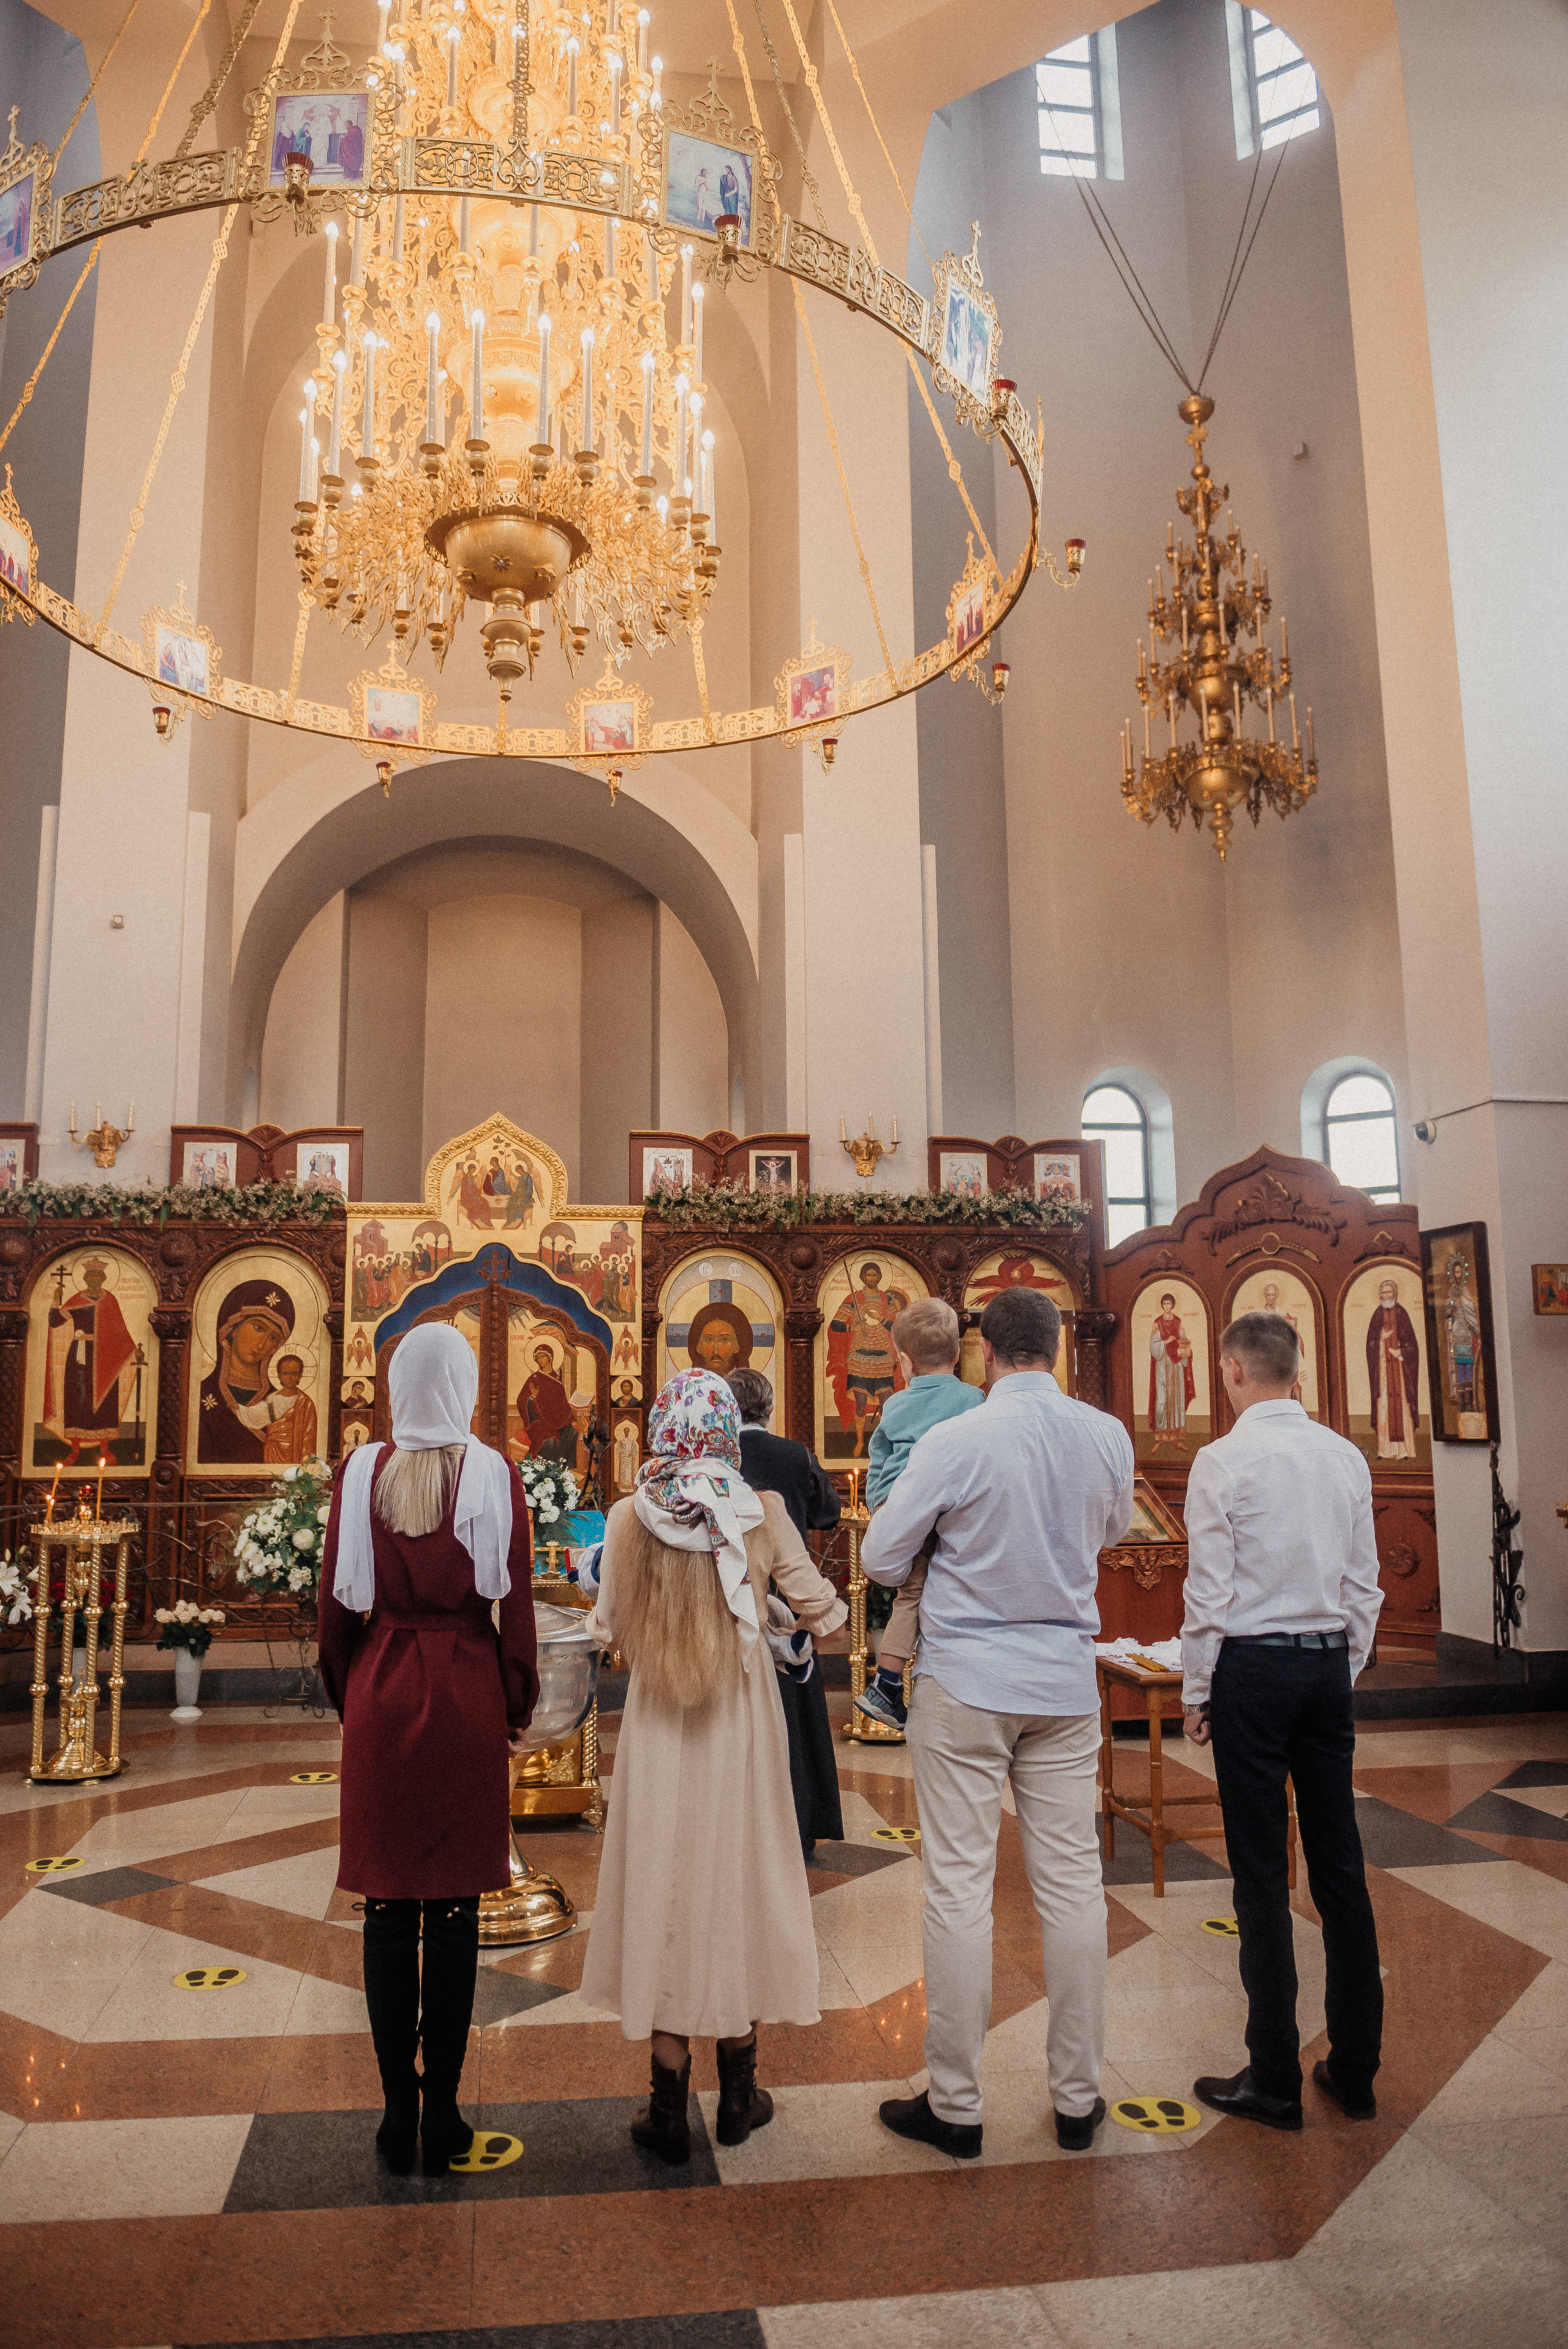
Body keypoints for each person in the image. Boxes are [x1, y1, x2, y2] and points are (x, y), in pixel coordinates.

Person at [862, 1286, 1133, 2158]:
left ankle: (957, 2104)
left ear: (986, 1353)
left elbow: (879, 1554)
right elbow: (1114, 1526)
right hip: (1063, 1682)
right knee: (1072, 1886)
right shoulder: (1106, 1434)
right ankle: (1079, 2099)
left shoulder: (958, 1437)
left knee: (957, 1887)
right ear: (1056, 1348)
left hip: (969, 1680)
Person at [579, 1369, 846, 2163]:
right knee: (740, 1880)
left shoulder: (630, 1516)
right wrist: (763, 1607)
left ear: (663, 1427)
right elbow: (823, 1612)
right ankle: (738, 2094)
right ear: (727, 1431)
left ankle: (666, 2107)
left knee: (666, 1884)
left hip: (662, 1727)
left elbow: (608, 1630)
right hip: (742, 1725)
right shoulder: (757, 1510)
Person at [318, 1325, 538, 2176]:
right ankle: (443, 2107)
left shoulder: (361, 1473)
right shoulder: (495, 1473)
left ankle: (394, 2111)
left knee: (384, 1905)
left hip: (383, 1684)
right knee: (451, 1910)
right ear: (469, 1385)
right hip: (466, 1691)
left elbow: (334, 1611)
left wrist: (353, 1695)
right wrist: (513, 1700)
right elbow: (513, 1608)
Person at [1182, 1309, 1384, 2132]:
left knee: (1263, 1873)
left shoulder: (1223, 1459)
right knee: (1340, 1865)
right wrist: (1343, 1663)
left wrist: (1198, 1689)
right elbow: (1366, 1581)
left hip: (1253, 1671)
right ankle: (1357, 2069)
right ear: (1296, 1369)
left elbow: (1208, 1592)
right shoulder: (1344, 1454)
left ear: (1233, 1370)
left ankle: (1274, 2079)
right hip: (1327, 1663)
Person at [728, 1365, 845, 1855]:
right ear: (769, 1408)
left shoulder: (720, 1456)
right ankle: (800, 1822)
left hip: (734, 1596)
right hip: (792, 1596)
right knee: (795, 1713)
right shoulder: (795, 1454)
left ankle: (741, 1828)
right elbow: (828, 1512)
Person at [854, 1298, 984, 1732]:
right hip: (953, 1511)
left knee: (910, 1594)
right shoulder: (975, 1399)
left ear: (903, 1361)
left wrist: (882, 1509)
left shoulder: (895, 1405)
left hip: (901, 1511)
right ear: (957, 1353)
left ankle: (887, 1682)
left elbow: (878, 1462)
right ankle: (890, 1683)